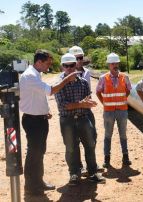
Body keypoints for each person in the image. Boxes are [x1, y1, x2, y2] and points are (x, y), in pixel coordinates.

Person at [19, 50, 78, 195]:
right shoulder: (30, 76)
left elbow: (38, 95)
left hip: (39, 119)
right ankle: (31, 187)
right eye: (47, 64)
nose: (49, 67)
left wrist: (44, 110)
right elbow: (51, 91)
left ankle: (38, 182)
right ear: (39, 62)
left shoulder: (35, 74)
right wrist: (67, 79)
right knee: (34, 154)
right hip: (33, 121)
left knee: (39, 153)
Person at [55, 53, 105, 185]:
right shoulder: (58, 84)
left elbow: (86, 100)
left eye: (72, 65)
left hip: (83, 118)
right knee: (71, 148)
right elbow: (62, 106)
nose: (70, 68)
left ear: (76, 65)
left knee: (90, 145)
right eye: (67, 66)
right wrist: (81, 104)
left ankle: (92, 172)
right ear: (62, 67)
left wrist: (84, 103)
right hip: (67, 120)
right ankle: (74, 174)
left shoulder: (83, 83)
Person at [96, 53, 132, 168]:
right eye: (112, 63)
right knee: (108, 135)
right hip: (109, 111)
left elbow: (128, 90)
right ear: (109, 65)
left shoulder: (124, 77)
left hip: (122, 110)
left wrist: (122, 99)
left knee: (123, 135)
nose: (115, 65)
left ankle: (125, 158)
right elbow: (98, 91)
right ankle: (107, 159)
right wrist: (104, 103)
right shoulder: (103, 78)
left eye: (116, 63)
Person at [69, 45, 100, 175]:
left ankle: (91, 166)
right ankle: (78, 167)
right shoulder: (65, 76)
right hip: (72, 113)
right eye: (76, 58)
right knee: (74, 142)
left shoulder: (87, 73)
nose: (78, 61)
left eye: (80, 57)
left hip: (87, 111)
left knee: (92, 138)